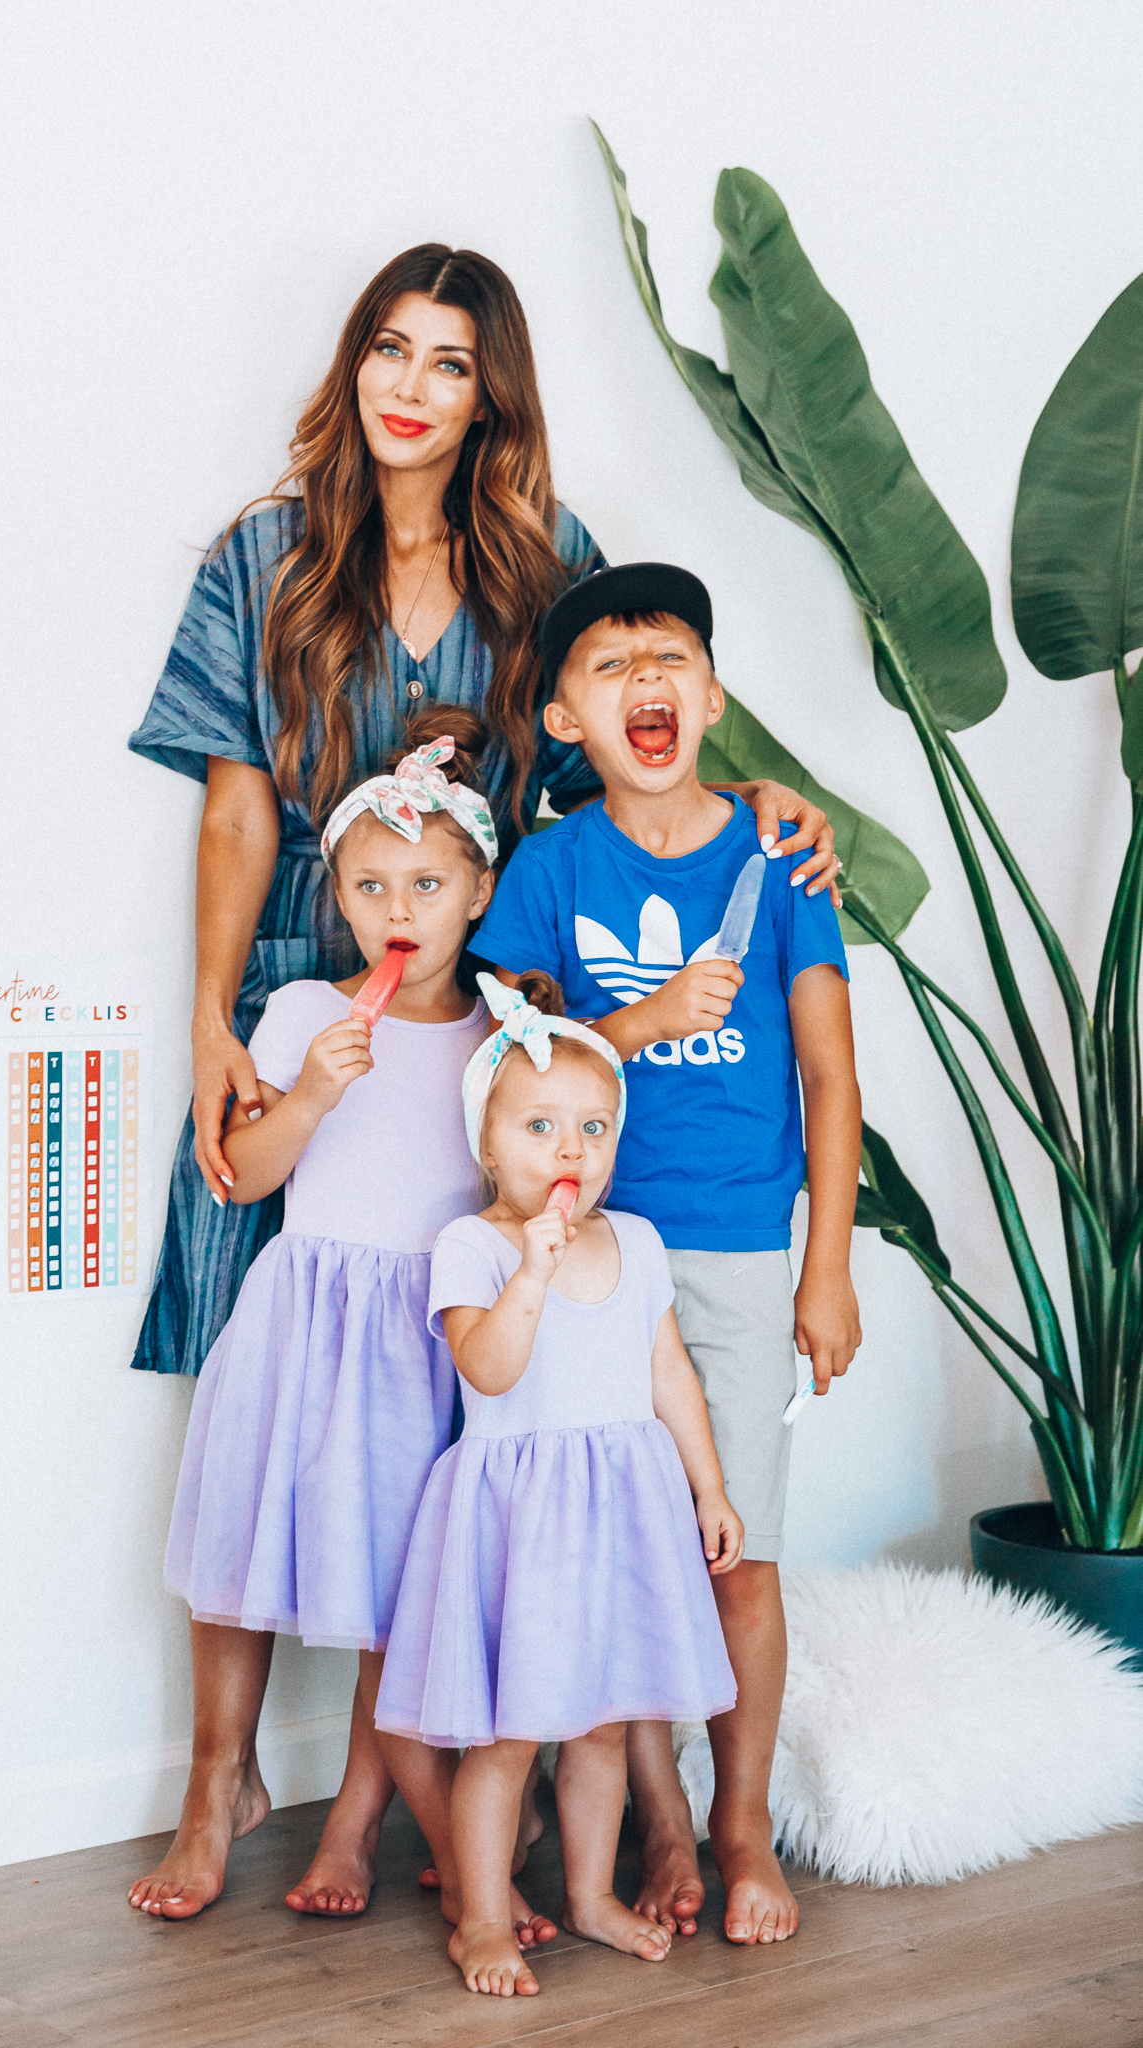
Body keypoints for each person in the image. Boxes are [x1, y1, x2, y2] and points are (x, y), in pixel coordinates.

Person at [127, 241, 839, 1914]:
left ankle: (446, 1793)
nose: (411, 385)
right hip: (313, 1017)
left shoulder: (545, 561)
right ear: (355, 363)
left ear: (489, 393)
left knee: (445, 1430)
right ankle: (218, 1777)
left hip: (487, 1043)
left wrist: (767, 812)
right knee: (252, 1429)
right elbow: (238, 808)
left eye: (451, 361)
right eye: (390, 346)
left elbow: (627, 717)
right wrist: (218, 1014)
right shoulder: (267, 554)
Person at [470, 562, 863, 1949]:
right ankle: (657, 1821)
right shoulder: (551, 866)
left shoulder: (780, 861)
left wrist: (827, 1266)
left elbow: (829, 1074)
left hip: (742, 1249)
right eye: (611, 662)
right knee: (614, 1543)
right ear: (567, 719)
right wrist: (634, 1026)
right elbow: (509, 1055)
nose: (648, 678)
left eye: (673, 655)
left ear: (711, 696)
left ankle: (741, 1825)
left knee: (731, 1549)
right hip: (587, 1254)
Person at [132, 722, 546, 1945]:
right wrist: (312, 1088)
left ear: (478, 892)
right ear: (340, 900)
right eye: (369, 886)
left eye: (425, 884)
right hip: (304, 1322)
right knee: (233, 1562)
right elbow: (243, 1179)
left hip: (425, 1335)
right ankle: (219, 1782)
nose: (396, 909)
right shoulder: (304, 1007)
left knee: (387, 1588)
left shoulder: (501, 1039)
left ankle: (356, 1818)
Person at [375, 978, 743, 1998]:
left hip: (623, 1511)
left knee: (605, 1726)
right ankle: (481, 1914)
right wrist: (528, 1274)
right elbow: (486, 1370)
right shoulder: (475, 1245)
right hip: (519, 1518)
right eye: (539, 1126)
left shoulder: (635, 1242)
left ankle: (587, 1893)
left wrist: (706, 1487)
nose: (568, 1149)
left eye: (591, 1125)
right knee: (508, 1733)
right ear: (487, 1144)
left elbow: (669, 1371)